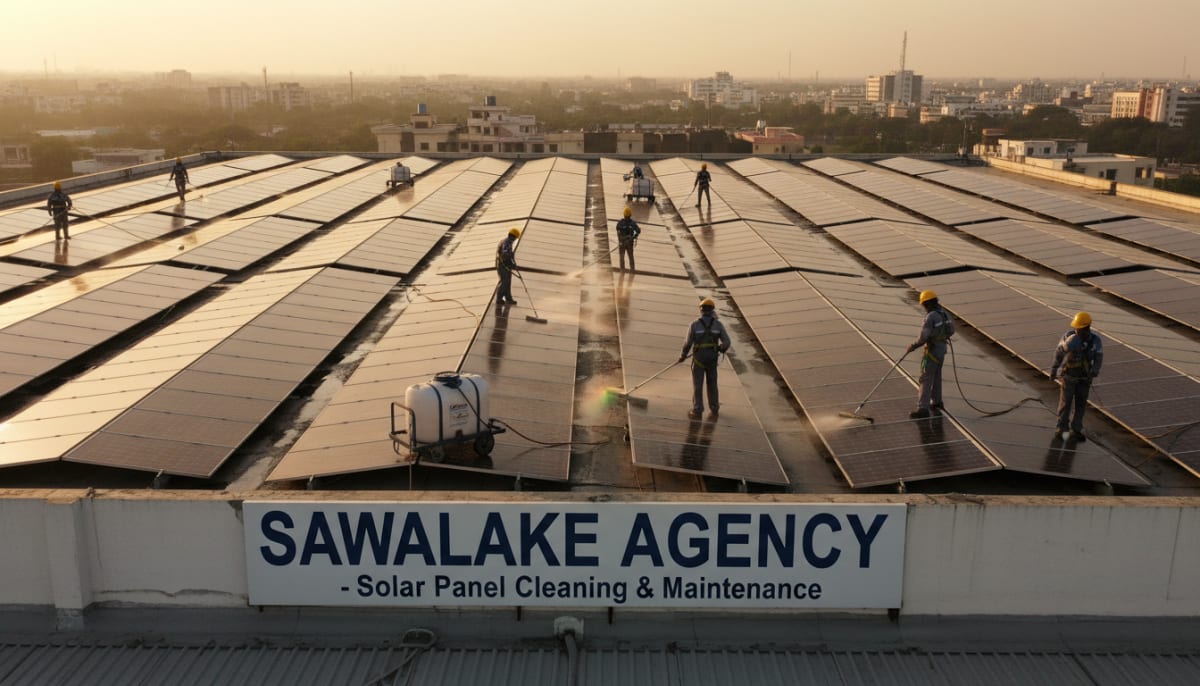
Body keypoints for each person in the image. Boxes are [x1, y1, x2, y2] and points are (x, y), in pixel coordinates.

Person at [1049, 311, 1103, 442]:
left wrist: (1095, 370)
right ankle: (1061, 429)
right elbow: (1059, 354)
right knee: (1065, 403)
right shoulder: (1069, 337)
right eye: (1076, 328)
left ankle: (1076, 430)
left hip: (1084, 378)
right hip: (1069, 376)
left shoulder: (1095, 341)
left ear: (1087, 327)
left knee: (1081, 404)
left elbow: (1098, 357)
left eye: (1080, 328)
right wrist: (1054, 369)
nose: (1077, 330)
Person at [906, 290, 955, 418]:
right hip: (941, 349)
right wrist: (940, 336)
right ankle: (937, 402)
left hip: (932, 351)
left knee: (926, 378)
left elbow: (924, 337)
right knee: (937, 376)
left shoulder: (930, 317)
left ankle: (923, 408)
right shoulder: (944, 314)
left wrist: (913, 346)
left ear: (927, 303)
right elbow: (951, 330)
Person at [679, 297, 731, 419]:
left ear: (701, 310)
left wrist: (683, 356)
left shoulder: (694, 324)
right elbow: (727, 342)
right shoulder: (718, 324)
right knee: (712, 384)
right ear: (712, 310)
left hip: (699, 359)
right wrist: (720, 348)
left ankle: (697, 410)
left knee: (698, 384)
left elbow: (687, 343)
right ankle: (714, 409)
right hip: (712, 359)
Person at [495, 227, 520, 305]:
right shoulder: (506, 242)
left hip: (506, 265)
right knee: (505, 282)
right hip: (503, 265)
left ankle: (508, 299)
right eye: (515, 238)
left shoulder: (508, 242)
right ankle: (499, 299)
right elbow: (505, 254)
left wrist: (511, 263)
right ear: (513, 236)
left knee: (508, 282)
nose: (515, 239)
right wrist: (510, 262)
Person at [615, 207, 640, 272]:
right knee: (624, 257)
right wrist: (620, 240)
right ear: (630, 215)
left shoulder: (622, 223)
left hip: (628, 243)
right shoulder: (623, 223)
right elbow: (618, 231)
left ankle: (629, 270)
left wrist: (633, 237)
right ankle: (625, 270)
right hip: (623, 243)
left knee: (628, 257)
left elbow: (638, 231)